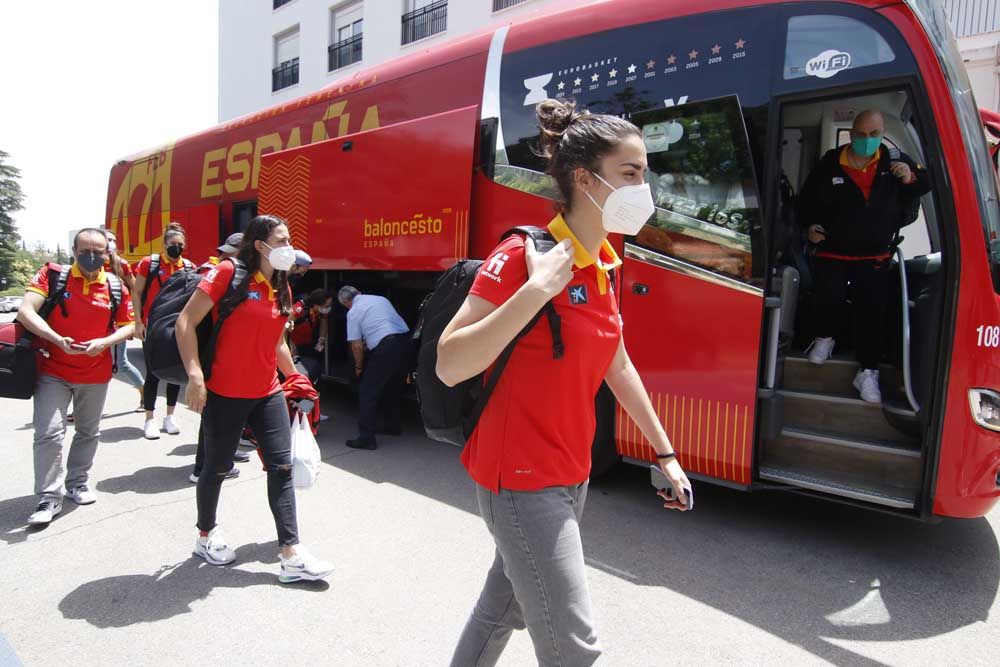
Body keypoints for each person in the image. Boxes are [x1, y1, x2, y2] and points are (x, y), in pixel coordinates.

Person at [439, 99, 691, 666]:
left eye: (644, 174)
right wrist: (536, 291)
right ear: (586, 178)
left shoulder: (603, 260)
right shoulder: (525, 255)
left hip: (569, 471)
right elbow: (450, 362)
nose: (642, 187)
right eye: (630, 173)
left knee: (502, 609)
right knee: (575, 651)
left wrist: (665, 452)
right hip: (521, 475)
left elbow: (617, 363)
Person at [176, 214, 332, 582]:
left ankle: (291, 554)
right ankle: (205, 534)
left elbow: (277, 341)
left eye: (289, 239)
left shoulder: (281, 285)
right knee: (215, 468)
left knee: (281, 468)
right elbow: (185, 322)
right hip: (224, 393)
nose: (288, 247)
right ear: (260, 245)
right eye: (281, 241)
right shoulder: (228, 273)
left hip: (267, 393)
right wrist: (196, 376)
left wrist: (296, 377)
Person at [797, 109, 931, 403]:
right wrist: (809, 227)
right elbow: (805, 201)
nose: (867, 140)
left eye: (874, 134)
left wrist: (909, 178)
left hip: (874, 255)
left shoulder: (894, 160)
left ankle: (867, 372)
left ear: (882, 134)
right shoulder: (832, 162)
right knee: (826, 299)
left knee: (870, 314)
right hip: (833, 250)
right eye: (861, 135)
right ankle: (824, 339)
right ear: (851, 134)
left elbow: (926, 182)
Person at [17, 228, 135, 525]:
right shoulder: (53, 275)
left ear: (107, 254)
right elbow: (25, 311)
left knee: (88, 432)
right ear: (74, 250)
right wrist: (55, 338)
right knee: (49, 433)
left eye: (99, 251)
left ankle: (77, 483)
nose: (92, 256)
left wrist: (106, 343)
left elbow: (130, 326)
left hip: (94, 375)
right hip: (52, 371)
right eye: (86, 250)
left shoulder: (115, 285)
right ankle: (49, 497)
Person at [190, 231, 250, 483]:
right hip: (213, 353)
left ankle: (222, 457)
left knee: (220, 416)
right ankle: (202, 468)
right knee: (213, 416)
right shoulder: (222, 273)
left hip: (214, 351)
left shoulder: (223, 272)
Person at [133, 222, 192, 439]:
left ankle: (170, 416)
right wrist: (138, 322)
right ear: (164, 244)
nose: (176, 247)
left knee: (175, 371)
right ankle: (149, 418)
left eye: (180, 244)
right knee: (154, 373)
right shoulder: (150, 263)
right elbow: (137, 292)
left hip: (176, 328)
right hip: (153, 328)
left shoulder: (188, 267)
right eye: (172, 243)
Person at [338, 285, 410, 450]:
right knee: (392, 386)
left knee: (367, 391)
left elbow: (356, 346)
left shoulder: (353, 312)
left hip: (386, 346)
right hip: (405, 342)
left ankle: (366, 438)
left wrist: (358, 366)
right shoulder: (380, 298)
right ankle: (393, 426)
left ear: (347, 303)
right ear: (359, 293)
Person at [104, 229, 144, 412]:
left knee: (121, 363)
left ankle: (145, 394)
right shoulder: (91, 263)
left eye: (113, 239)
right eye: (107, 239)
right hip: (97, 319)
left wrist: (136, 319)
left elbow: (135, 289)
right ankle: (84, 407)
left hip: (117, 321)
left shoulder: (121, 264)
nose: (110, 243)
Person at [289, 288, 331, 381]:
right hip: (295, 345)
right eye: (326, 305)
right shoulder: (299, 309)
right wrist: (293, 350)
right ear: (316, 305)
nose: (328, 307)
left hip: (309, 341)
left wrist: (321, 340)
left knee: (314, 367)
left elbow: (324, 322)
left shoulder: (322, 310)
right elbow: (284, 328)